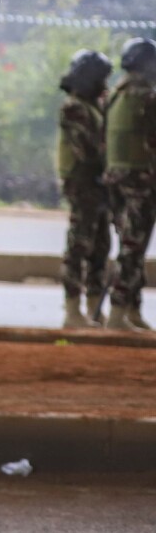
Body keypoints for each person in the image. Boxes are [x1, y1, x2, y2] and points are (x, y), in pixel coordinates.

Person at [56, 50, 113, 328]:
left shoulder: (92, 106)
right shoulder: (75, 108)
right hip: (83, 184)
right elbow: (89, 149)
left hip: (98, 185)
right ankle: (72, 310)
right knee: (80, 245)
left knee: (100, 246)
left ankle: (93, 306)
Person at [103, 37, 156, 332]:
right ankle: (118, 313)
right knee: (133, 248)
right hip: (141, 181)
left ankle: (131, 310)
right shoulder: (147, 97)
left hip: (116, 180)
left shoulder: (116, 94)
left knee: (128, 244)